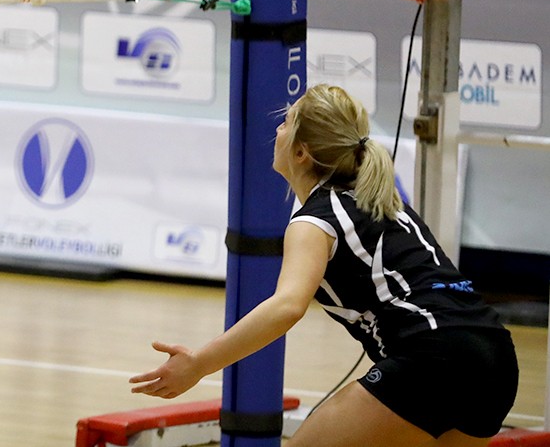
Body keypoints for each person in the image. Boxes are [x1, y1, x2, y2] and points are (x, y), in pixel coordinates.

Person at [130, 83, 519, 447]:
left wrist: (199, 364)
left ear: (302, 153)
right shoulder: (386, 203)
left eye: (286, 123)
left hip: (434, 358)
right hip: (495, 358)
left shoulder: (315, 222)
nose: (277, 130)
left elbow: (287, 306)